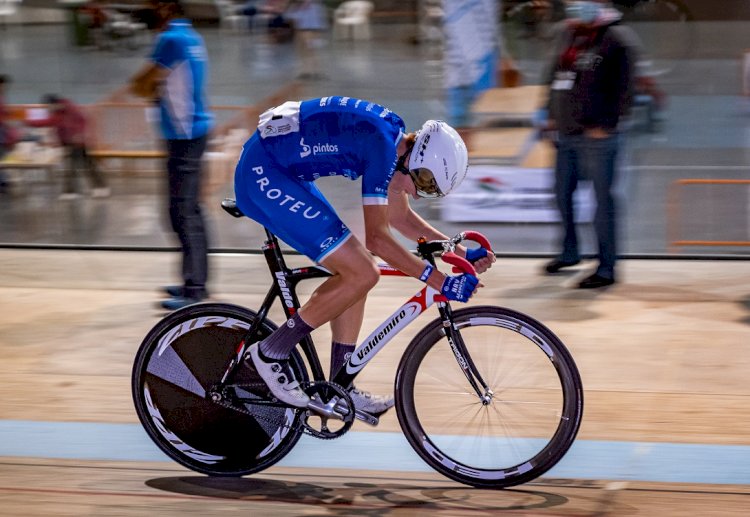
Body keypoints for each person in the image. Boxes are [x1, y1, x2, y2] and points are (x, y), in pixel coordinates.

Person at [234, 96, 496, 417]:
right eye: (424, 183)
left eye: (429, 191)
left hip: (281, 168)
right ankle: (269, 353)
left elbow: (401, 219)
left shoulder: (396, 145)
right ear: (416, 158)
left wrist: (459, 250)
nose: (417, 192)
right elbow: (378, 239)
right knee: (363, 271)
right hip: (263, 173)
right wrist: (439, 280)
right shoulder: (382, 149)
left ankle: (340, 388)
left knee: (357, 273)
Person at [540, 0, 638, 288]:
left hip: (598, 136)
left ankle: (606, 267)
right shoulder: (569, 34)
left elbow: (627, 88)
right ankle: (570, 252)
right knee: (561, 194)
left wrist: (608, 125)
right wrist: (549, 115)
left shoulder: (616, 39)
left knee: (602, 202)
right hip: (567, 133)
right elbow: (555, 77)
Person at [129, 0, 214, 311]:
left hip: (184, 135)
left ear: (164, 7)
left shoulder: (170, 39)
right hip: (193, 131)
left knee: (182, 213)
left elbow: (139, 85)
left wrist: (149, 86)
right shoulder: (191, 36)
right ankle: (194, 281)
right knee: (190, 211)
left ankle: (194, 290)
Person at [28, 94, 110, 200]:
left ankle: (85, 190)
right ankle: (92, 189)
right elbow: (50, 122)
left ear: (54, 103)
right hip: (69, 142)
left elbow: (82, 121)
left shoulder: (70, 109)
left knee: (81, 166)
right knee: (77, 166)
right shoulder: (59, 112)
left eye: (48, 105)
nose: (48, 108)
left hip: (78, 142)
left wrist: (79, 134)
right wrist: (31, 122)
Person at [286, 0, 327, 79]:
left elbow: (319, 19)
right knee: (303, 51)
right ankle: (306, 71)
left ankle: (315, 71)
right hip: (301, 30)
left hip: (311, 30)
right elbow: (289, 16)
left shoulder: (314, 5)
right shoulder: (297, 5)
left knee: (311, 51)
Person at [0, 75, 18, 194]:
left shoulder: (2, 97)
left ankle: (3, 180)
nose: (5, 88)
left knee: (3, 156)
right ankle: (2, 181)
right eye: (4, 85)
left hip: (2, 130)